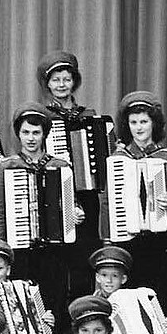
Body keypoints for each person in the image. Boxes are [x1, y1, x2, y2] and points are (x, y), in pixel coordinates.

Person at [0, 104, 84, 333]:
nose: (31, 138)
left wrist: (77, 213)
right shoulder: (7, 167)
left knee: (54, 304)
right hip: (20, 251)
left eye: (36, 132)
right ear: (18, 134)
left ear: (44, 134)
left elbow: (71, 204)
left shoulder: (60, 166)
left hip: (54, 252)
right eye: (25, 132)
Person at [110, 90, 167, 319]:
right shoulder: (119, 158)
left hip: (160, 243)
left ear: (154, 124)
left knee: (158, 298)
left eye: (144, 122)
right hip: (128, 240)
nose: (138, 128)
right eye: (133, 122)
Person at [36, 51, 105, 298]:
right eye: (56, 80)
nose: (62, 85)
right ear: (47, 85)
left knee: (84, 257)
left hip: (86, 195)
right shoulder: (42, 117)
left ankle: (80, 313)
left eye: (66, 79)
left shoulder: (88, 115)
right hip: (54, 194)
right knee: (56, 259)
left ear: (74, 81)